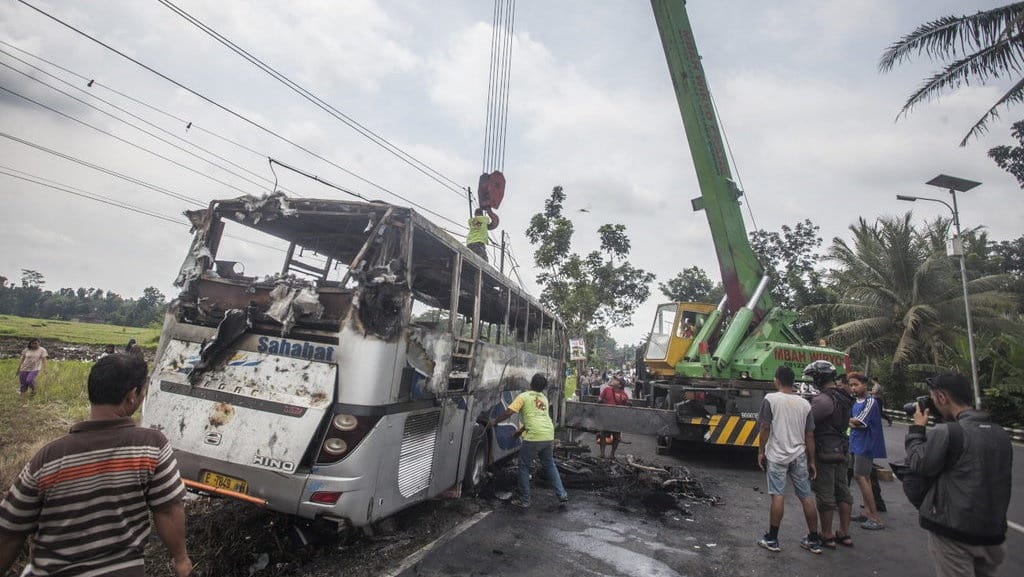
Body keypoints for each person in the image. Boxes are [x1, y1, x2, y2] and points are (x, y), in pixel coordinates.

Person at [0, 353, 191, 577]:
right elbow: (168, 510)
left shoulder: (48, 458)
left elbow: (10, 531)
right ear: (132, 395)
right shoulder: (151, 445)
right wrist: (181, 559)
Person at [905, 373, 1012, 577]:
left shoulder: (948, 431)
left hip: (955, 534)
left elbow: (918, 464)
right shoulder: (1000, 433)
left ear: (943, 398)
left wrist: (917, 429)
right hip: (993, 534)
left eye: (933, 399)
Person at [755, 366, 821, 554]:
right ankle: (814, 540)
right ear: (793, 382)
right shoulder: (805, 404)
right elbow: (809, 435)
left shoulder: (771, 399)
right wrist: (812, 461)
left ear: (777, 380)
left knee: (778, 495)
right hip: (799, 455)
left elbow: (765, 428)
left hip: (776, 455)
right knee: (806, 496)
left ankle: (773, 539)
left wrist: (761, 451)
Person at [490, 373, 569, 508]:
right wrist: (519, 432)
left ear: (531, 384)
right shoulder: (543, 398)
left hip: (534, 436)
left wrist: (495, 421)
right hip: (548, 434)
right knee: (550, 464)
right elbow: (535, 417)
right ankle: (562, 494)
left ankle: (524, 500)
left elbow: (509, 412)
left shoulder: (523, 396)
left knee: (524, 466)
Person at [806, 360, 855, 549]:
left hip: (825, 450)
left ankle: (827, 535)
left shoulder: (823, 400)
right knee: (842, 490)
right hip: (842, 448)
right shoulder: (844, 396)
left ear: (819, 378)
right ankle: (844, 532)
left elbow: (808, 422)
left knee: (825, 493)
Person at [847, 372, 886, 531]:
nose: (853, 388)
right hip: (856, 442)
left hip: (866, 444)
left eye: (856, 384)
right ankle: (867, 512)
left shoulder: (871, 401)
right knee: (863, 478)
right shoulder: (856, 402)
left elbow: (860, 422)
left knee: (861, 477)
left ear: (865, 385)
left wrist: (849, 421)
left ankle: (875, 517)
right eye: (851, 385)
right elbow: (852, 421)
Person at [597, 377, 630, 459]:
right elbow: (599, 399)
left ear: (620, 385)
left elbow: (626, 406)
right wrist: (601, 401)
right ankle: (602, 453)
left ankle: (612, 454)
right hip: (607, 417)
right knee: (602, 435)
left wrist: (628, 403)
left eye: (616, 380)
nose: (613, 380)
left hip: (617, 419)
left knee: (616, 437)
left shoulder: (624, 394)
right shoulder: (606, 390)